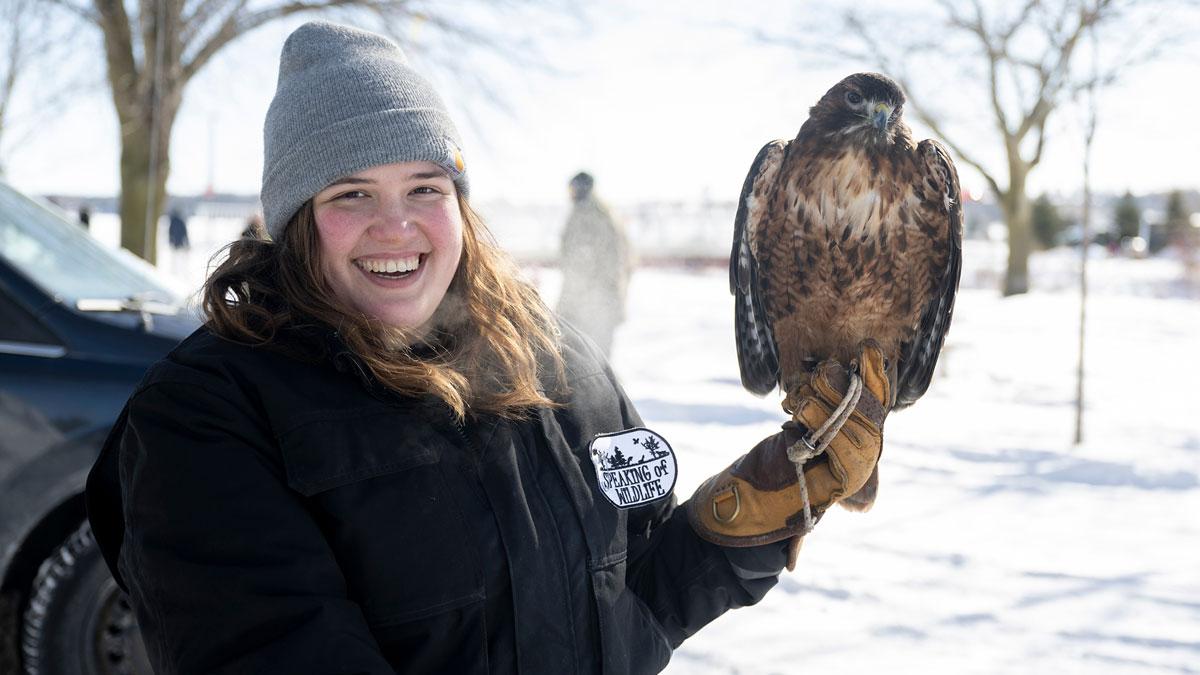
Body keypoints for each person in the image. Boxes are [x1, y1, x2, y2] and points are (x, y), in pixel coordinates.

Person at [84, 21, 889, 674]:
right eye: (350, 193)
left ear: (460, 205)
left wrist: (744, 515)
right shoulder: (209, 416)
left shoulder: (560, 364)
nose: (395, 225)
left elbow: (631, 604)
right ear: (298, 222)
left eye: (425, 189)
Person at [556, 172, 632, 357]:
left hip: (592, 301)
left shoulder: (589, 214)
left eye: (572, 188)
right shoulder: (600, 212)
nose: (570, 193)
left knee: (588, 357)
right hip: (595, 298)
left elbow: (589, 260)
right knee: (593, 355)